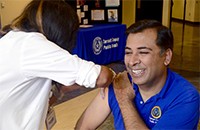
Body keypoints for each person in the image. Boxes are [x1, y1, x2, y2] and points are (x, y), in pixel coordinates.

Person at [0, 0, 115, 130]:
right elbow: (101, 76)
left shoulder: (13, 40)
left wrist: (60, 90)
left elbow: (31, 98)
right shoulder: (33, 45)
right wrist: (113, 75)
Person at [75, 20, 200, 130]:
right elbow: (84, 126)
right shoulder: (120, 82)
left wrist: (124, 99)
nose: (132, 61)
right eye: (128, 52)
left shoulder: (185, 97)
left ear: (166, 57)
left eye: (143, 52)